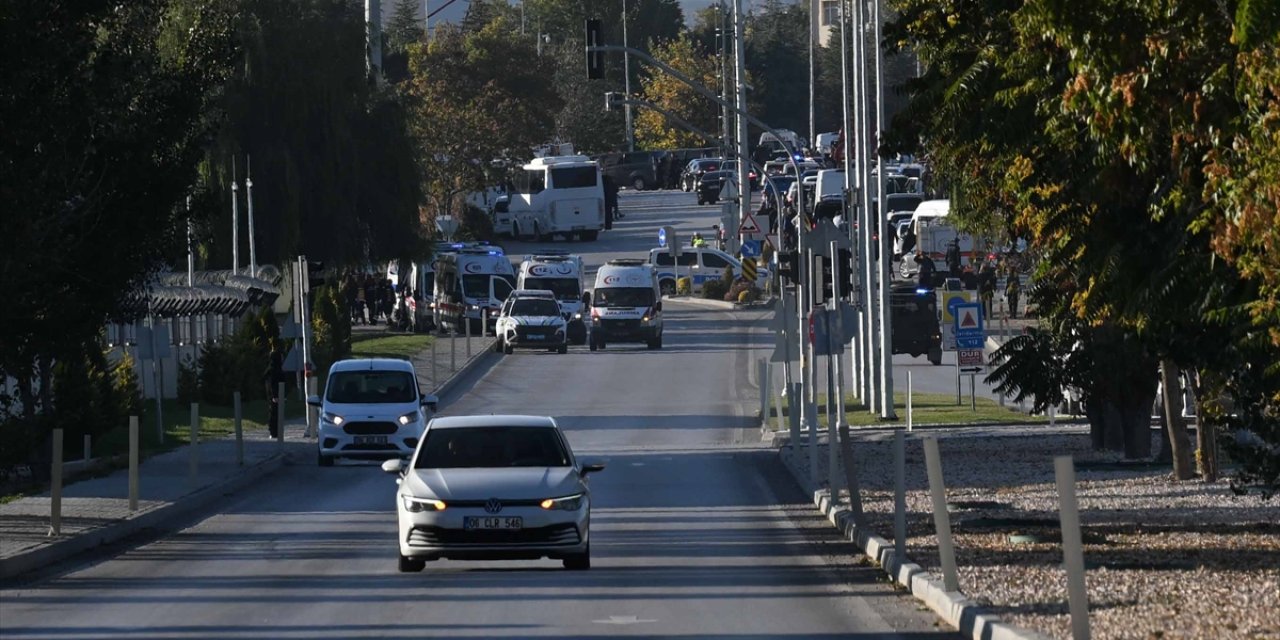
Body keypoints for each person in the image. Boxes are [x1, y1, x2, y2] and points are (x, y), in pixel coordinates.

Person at [263, 348, 286, 439]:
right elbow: (271, 384)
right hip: (274, 395)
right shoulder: (273, 370)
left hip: (277, 394)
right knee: (274, 412)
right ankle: (273, 431)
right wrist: (274, 395)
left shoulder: (276, 369)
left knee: (276, 412)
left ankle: (276, 431)